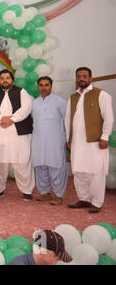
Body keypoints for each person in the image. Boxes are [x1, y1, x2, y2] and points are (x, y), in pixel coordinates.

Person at [66, 67, 113, 213]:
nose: (82, 78)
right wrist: (68, 138)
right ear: (76, 79)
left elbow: (109, 118)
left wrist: (105, 137)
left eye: (85, 76)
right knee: (79, 171)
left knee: (95, 171)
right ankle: (84, 199)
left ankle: (97, 202)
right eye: (79, 76)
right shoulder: (73, 97)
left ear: (91, 78)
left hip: (95, 142)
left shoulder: (101, 94)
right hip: (77, 143)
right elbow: (67, 119)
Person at [0, 69, 35, 201]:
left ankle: (27, 190)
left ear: (12, 79)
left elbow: (26, 108)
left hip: (19, 133)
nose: (5, 80)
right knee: (0, 163)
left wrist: (11, 119)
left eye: (7, 77)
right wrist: (2, 118)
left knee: (22, 162)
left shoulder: (22, 92)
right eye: (2, 78)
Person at [31, 77, 68, 205]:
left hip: (55, 140)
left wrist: (67, 139)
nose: (44, 88)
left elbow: (67, 122)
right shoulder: (34, 103)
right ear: (38, 87)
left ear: (51, 86)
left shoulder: (60, 102)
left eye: (46, 85)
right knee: (40, 166)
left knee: (56, 166)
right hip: (38, 140)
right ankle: (45, 192)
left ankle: (58, 194)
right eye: (41, 85)